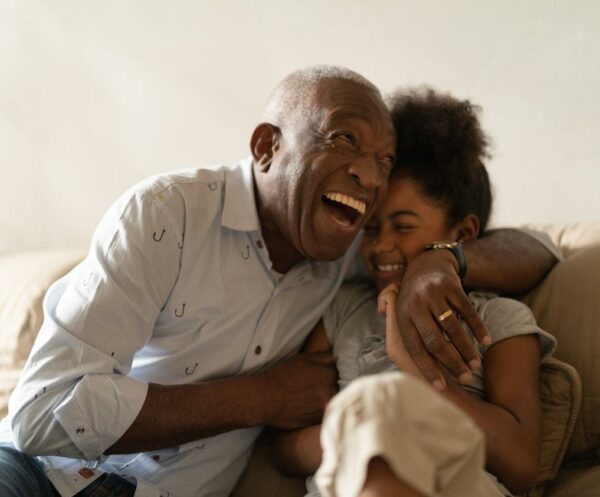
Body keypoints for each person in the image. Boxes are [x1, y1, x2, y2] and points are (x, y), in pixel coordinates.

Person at [0, 67, 558, 497]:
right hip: (36, 472)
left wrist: (441, 261)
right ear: (267, 146)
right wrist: (263, 397)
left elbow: (542, 247)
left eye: (383, 159)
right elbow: (40, 415)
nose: (368, 174)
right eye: (344, 140)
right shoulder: (167, 215)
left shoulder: (357, 249)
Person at [273, 88, 558, 497]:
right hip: (346, 484)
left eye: (404, 227)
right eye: (370, 228)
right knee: (379, 411)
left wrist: (418, 372)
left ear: (462, 234)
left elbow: (520, 465)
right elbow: (285, 450)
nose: (382, 245)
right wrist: (364, 429)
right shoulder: (342, 308)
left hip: (457, 487)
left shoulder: (497, 318)